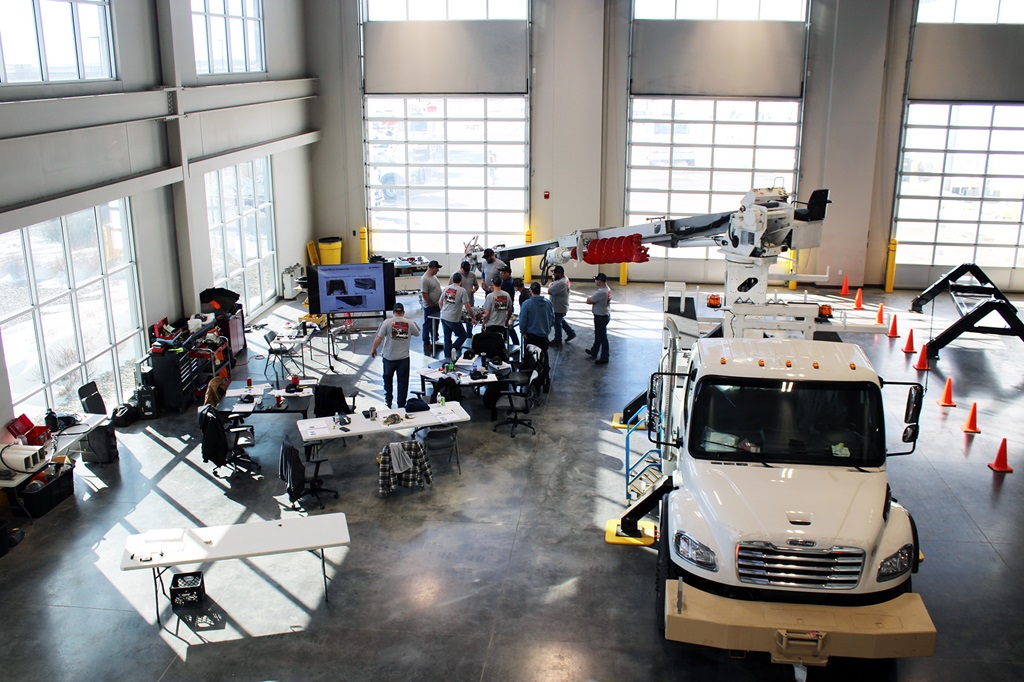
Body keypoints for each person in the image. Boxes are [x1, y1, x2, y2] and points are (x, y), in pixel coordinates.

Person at [370, 302, 420, 409]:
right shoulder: (410, 323)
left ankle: (388, 401)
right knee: (403, 382)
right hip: (403, 358)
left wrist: (374, 349)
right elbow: (417, 333)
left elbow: (379, 337)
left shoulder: (387, 322)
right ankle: (401, 403)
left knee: (387, 379)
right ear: (403, 312)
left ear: (393, 312)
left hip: (389, 358)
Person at [440, 271, 474, 360]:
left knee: (447, 338)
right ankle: (453, 350)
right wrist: (472, 317)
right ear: (461, 281)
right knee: (463, 336)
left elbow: (440, 302)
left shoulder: (446, 288)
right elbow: (467, 305)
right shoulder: (462, 290)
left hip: (443, 316)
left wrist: (443, 310)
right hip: (453, 318)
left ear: (452, 280)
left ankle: (447, 357)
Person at [518, 282, 554, 351]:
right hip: (544, 336)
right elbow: (552, 319)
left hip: (531, 337)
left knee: (531, 359)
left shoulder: (526, 304)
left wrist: (523, 331)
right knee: (543, 357)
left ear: (531, 291)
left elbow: (522, 320)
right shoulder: (549, 303)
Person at [585, 272, 611, 365]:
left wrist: (589, 298)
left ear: (600, 281)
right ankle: (594, 351)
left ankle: (605, 357)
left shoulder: (601, 292)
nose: (595, 281)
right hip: (605, 314)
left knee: (602, 337)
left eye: (597, 280)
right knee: (598, 335)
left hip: (600, 317)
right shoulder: (607, 289)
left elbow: (589, 301)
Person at [547, 265, 576, 346]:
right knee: (560, 320)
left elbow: (549, 291)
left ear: (559, 273)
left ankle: (557, 339)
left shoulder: (561, 283)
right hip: (562, 305)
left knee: (557, 322)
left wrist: (551, 284)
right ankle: (571, 333)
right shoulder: (565, 279)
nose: (554, 275)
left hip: (559, 307)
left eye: (555, 273)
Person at [451, 260, 478, 340]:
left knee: (469, 318)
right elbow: (451, 289)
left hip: (470, 300)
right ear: (460, 268)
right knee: (458, 318)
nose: (466, 272)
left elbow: (476, 285)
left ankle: (469, 333)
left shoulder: (472, 275)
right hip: (459, 303)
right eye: (465, 270)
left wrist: (474, 290)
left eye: (468, 270)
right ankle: (458, 333)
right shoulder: (455, 276)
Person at [420, 260, 442, 355]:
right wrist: (431, 304)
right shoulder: (425, 279)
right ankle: (426, 343)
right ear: (432, 268)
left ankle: (435, 340)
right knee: (428, 325)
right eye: (437, 268)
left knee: (435, 323)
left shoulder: (433, 277)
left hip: (436, 305)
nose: (437, 270)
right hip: (430, 307)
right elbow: (424, 294)